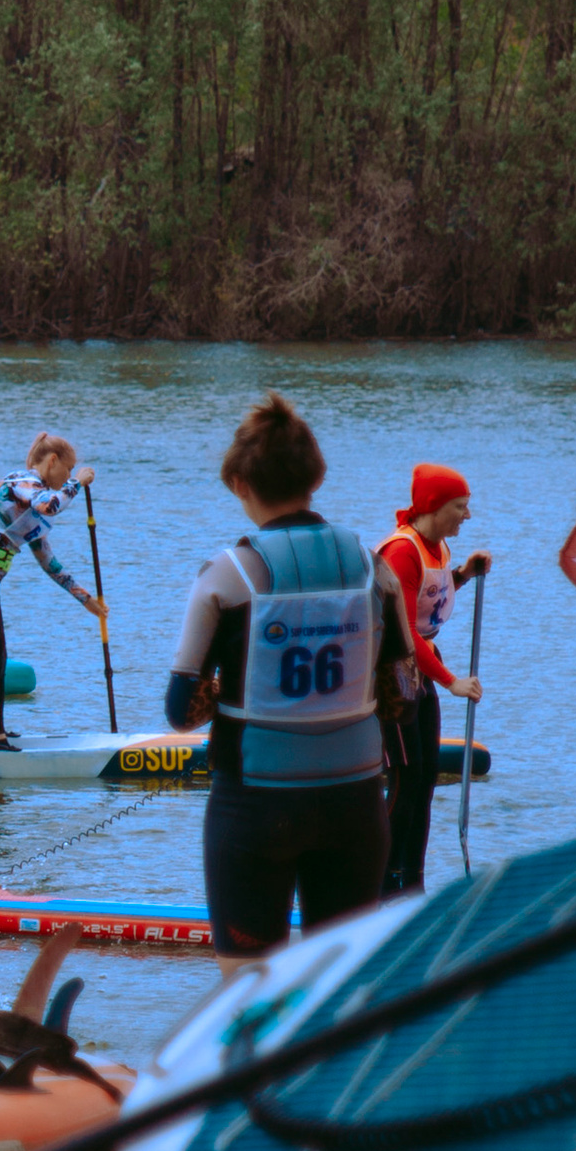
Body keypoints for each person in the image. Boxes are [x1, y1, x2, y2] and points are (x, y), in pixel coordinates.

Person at [162, 392, 416, 957]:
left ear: (239, 484)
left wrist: (225, 691)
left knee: (250, 991)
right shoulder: (372, 567)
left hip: (254, 809)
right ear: (316, 479)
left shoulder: (226, 575)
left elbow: (181, 712)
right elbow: (405, 699)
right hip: (354, 805)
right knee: (338, 984)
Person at [0, 435, 108, 748]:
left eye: (73, 472)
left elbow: (49, 563)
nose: (68, 476)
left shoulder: (29, 509)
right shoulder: (23, 483)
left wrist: (85, 599)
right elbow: (51, 505)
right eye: (68, 469)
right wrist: (78, 483)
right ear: (52, 461)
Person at [377, 463, 491, 896]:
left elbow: (430, 599)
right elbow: (405, 632)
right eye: (460, 506)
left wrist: (463, 574)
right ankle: (381, 884)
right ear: (433, 506)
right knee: (405, 779)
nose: (467, 515)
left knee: (425, 779)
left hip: (418, 669)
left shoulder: (436, 546)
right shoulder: (401, 552)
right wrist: (451, 681)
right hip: (391, 675)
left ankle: (412, 884)